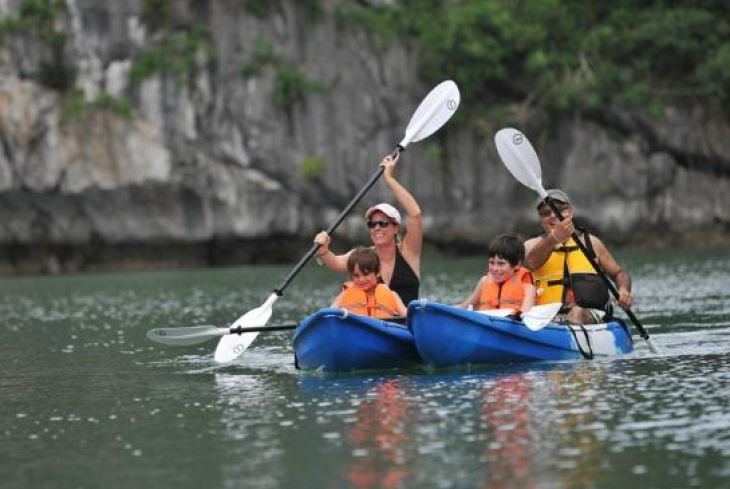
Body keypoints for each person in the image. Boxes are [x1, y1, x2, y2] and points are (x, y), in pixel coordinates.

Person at [314, 152, 422, 305]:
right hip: (376, 324)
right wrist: (323, 251)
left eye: (383, 223)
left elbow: (415, 215)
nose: (376, 228)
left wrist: (389, 178)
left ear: (396, 227)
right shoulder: (364, 256)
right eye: (372, 224)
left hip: (409, 325)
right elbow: (337, 263)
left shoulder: (409, 252)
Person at [524, 189, 633, 324]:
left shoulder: (592, 243)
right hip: (544, 318)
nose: (553, 215)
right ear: (541, 219)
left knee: (577, 313)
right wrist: (554, 238)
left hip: (588, 315)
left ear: (570, 212)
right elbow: (531, 263)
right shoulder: (531, 245)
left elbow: (619, 273)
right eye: (546, 213)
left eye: (559, 210)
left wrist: (623, 290)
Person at [459, 234, 536, 315]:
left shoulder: (529, 289)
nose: (495, 268)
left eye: (501, 263)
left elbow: (525, 316)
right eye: (491, 262)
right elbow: (463, 309)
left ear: (517, 264)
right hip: (485, 322)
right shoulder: (483, 282)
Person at [331, 247, 407, 318]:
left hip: (382, 329)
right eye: (356, 275)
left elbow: (408, 317)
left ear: (377, 272)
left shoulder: (392, 295)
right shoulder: (345, 294)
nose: (361, 279)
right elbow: (329, 315)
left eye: (366, 274)